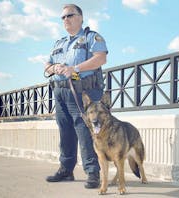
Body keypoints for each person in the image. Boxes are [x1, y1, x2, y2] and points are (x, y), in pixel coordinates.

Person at [45, 4, 108, 189]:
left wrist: (76, 68)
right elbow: (46, 64)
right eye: (63, 17)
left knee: (85, 132)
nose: (66, 20)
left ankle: (93, 172)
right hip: (60, 92)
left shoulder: (91, 37)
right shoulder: (59, 43)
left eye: (70, 15)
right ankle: (66, 169)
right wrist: (54, 68)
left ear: (80, 17)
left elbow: (101, 58)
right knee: (65, 132)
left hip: (84, 92)